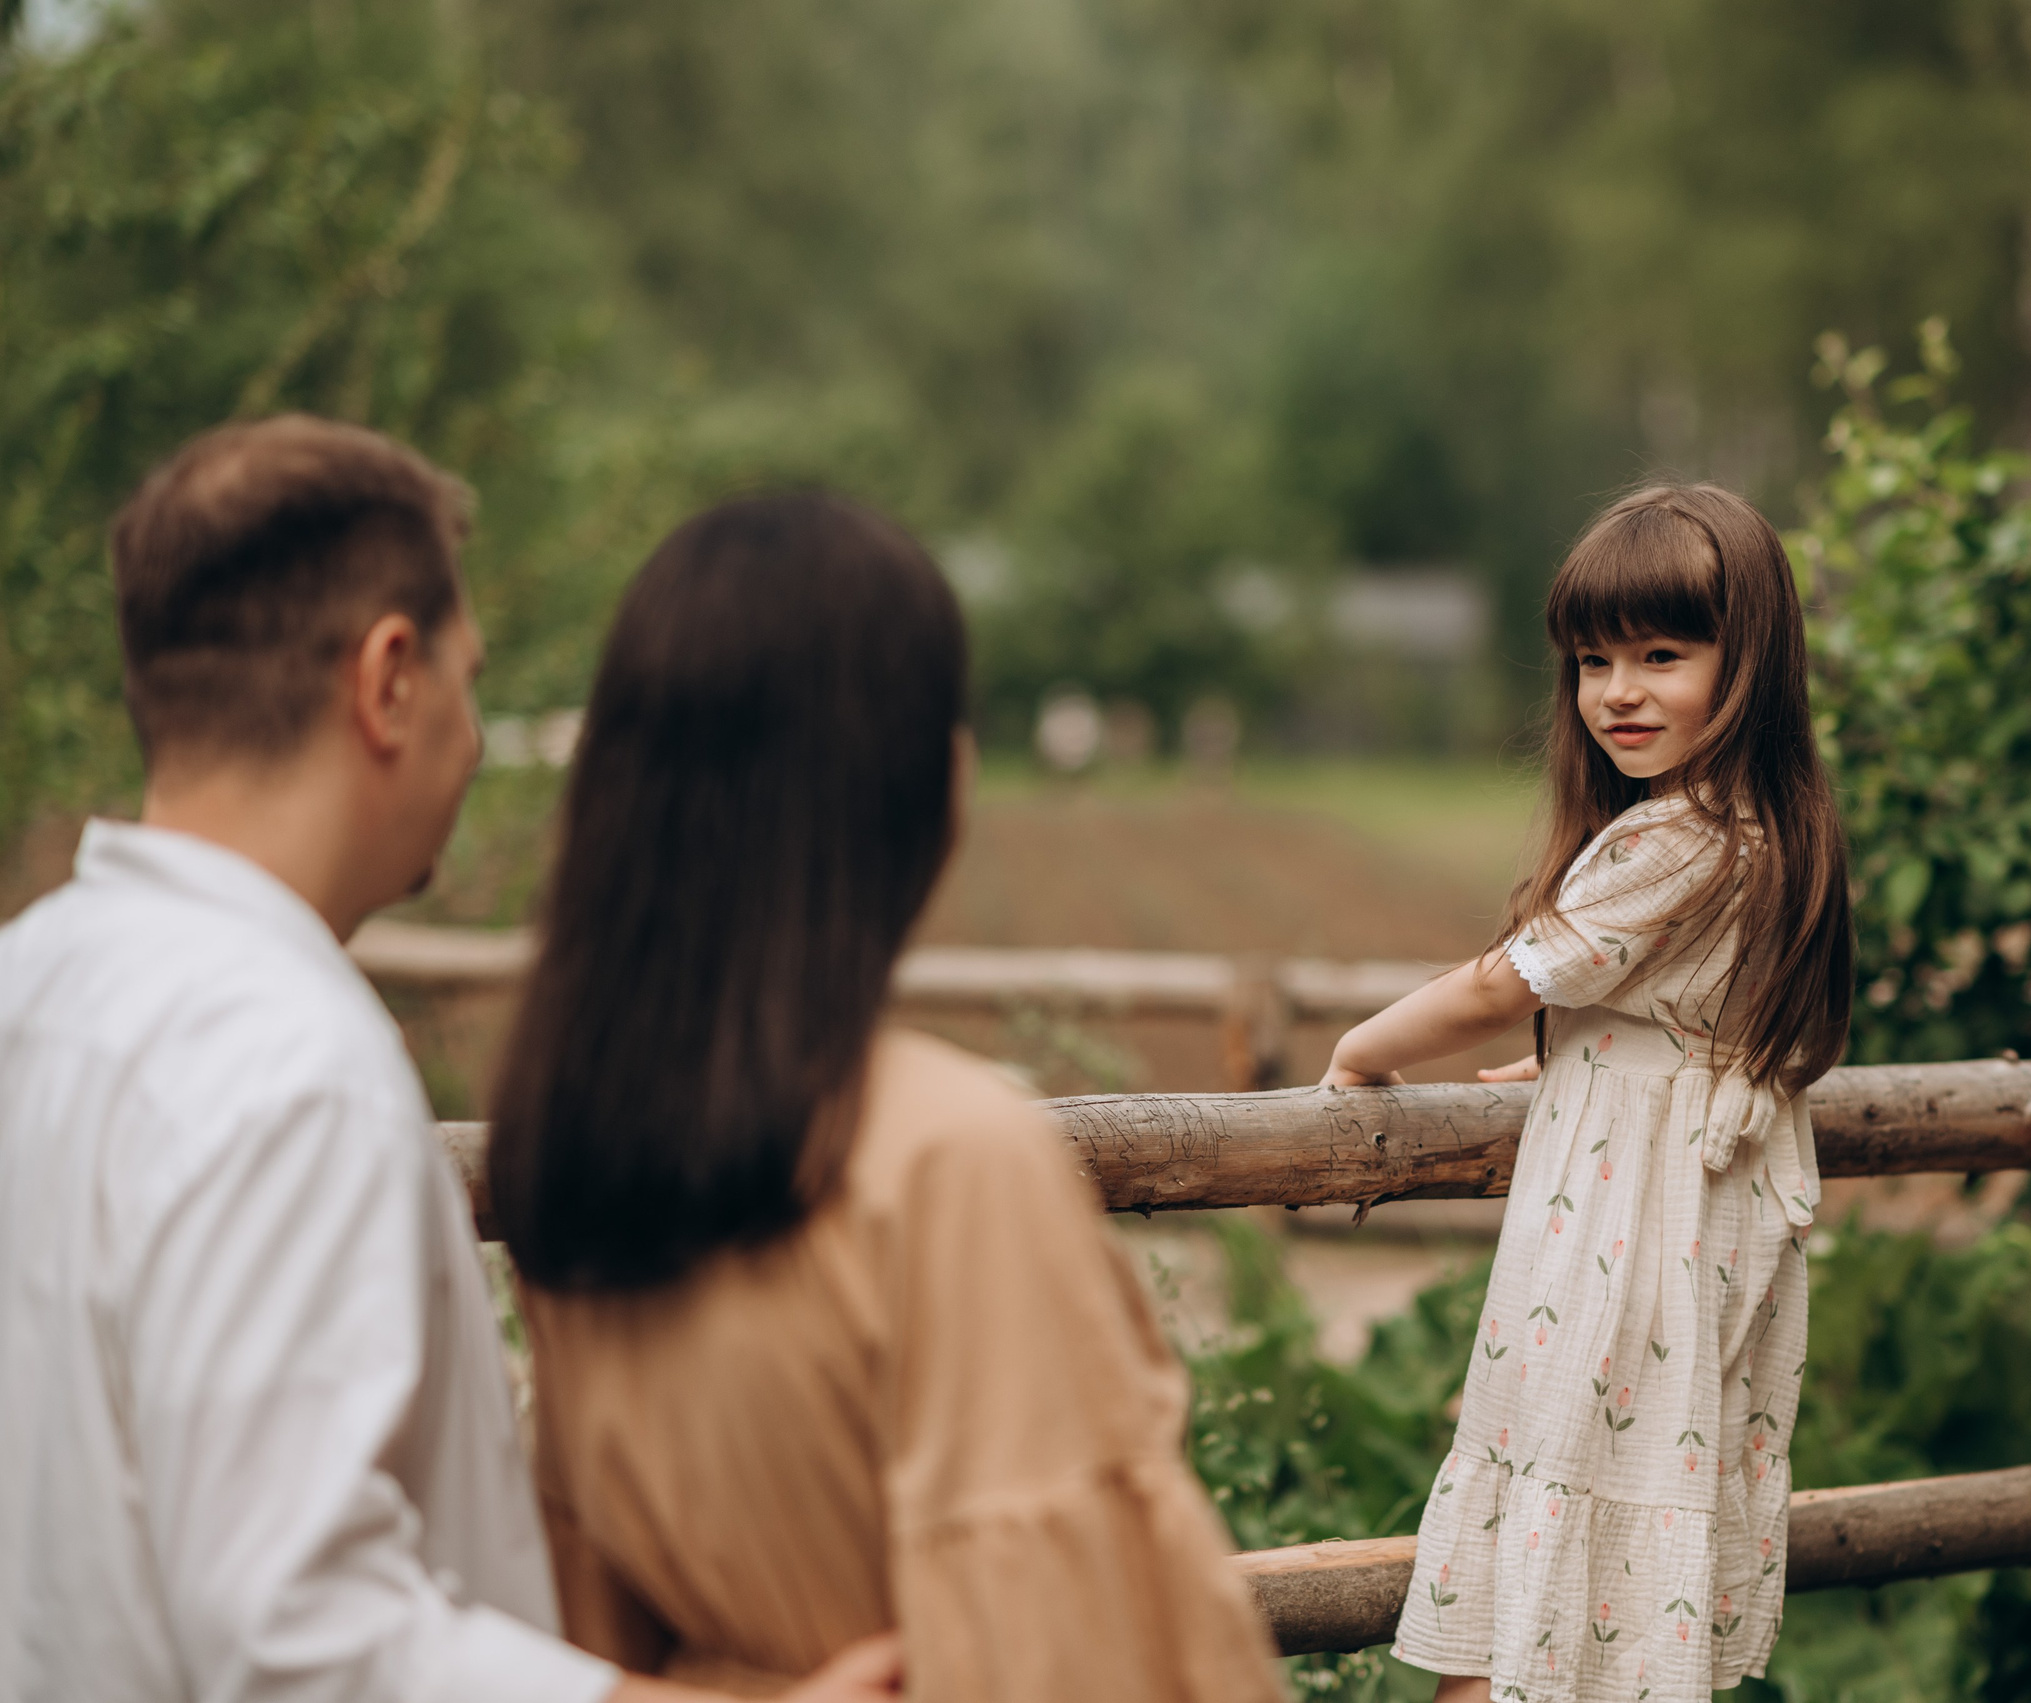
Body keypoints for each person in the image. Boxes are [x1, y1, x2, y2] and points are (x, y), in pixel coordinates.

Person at [0, 416, 900, 1703]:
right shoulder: (286, 1064)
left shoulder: (31, 983)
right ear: (388, 680)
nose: (473, 739)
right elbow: (293, 1628)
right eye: (469, 679)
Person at [485, 493, 1283, 1702]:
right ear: (912, 780)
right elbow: (1069, 1646)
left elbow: (585, 1608)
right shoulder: (948, 1156)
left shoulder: (569, 1145)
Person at [1320, 484, 1854, 1701]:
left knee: (1543, 1549)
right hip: (1685, 1234)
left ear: (1751, 661)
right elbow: (1671, 1022)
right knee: (1594, 1561)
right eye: (1593, 659)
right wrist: (1579, 1063)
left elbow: (1495, 984)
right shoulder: (1765, 832)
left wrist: (1360, 1048)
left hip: (1627, 1255)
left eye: (1662, 655)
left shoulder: (1680, 837)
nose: (1618, 690)